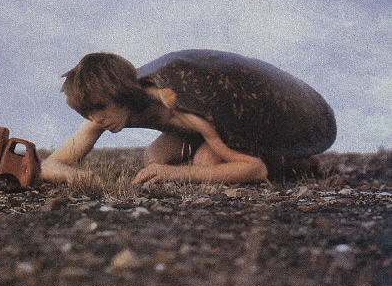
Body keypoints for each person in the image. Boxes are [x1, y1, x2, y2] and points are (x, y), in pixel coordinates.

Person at [40, 50, 337, 185]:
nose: (96, 119)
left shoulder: (181, 106)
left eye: (100, 108)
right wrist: (83, 177)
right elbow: (51, 165)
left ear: (120, 93)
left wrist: (177, 174)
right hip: (198, 124)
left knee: (205, 162)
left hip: (253, 114)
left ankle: (294, 161)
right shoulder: (104, 111)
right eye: (88, 112)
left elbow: (254, 169)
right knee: (155, 157)